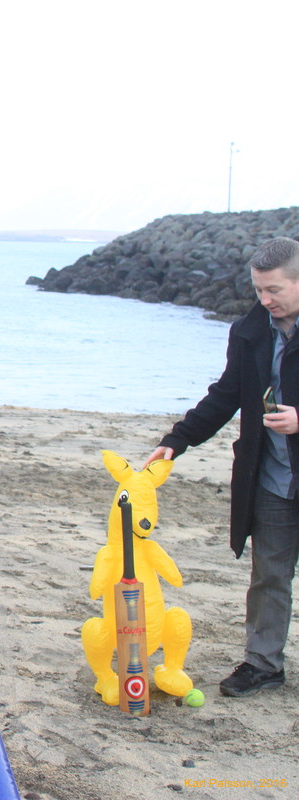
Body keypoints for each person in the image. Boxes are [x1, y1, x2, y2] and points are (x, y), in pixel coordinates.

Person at [145, 236, 299, 699]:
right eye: (258, 290)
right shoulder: (251, 330)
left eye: (274, 290)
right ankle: (263, 664)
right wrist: (178, 440)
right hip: (270, 477)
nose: (265, 300)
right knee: (269, 574)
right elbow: (225, 395)